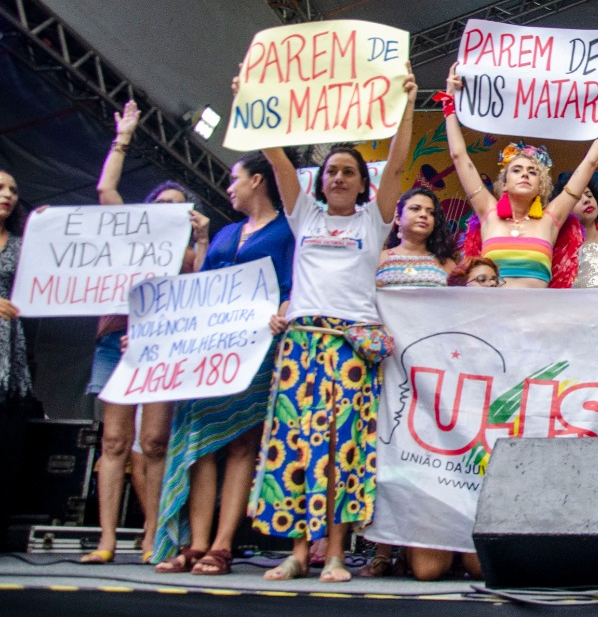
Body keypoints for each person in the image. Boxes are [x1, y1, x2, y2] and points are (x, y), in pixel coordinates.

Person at [242, 64, 417, 582]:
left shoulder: (373, 220)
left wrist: (407, 102)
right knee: (297, 445)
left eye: (348, 172)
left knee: (342, 449)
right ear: (319, 181)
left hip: (350, 348)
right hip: (300, 344)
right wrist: (254, 98)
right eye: (331, 171)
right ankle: (299, 552)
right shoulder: (304, 216)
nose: (338, 177)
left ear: (365, 184)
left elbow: (402, 160)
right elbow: (275, 156)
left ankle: (336, 553)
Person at [153, 152, 294, 574]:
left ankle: (222, 544)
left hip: (258, 348)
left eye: (234, 180)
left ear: (257, 181)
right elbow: (199, 290)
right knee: (200, 443)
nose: (228, 188)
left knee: (241, 444)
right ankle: (195, 544)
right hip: (211, 352)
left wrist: (283, 312)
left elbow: (292, 283)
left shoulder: (288, 230)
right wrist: (200, 242)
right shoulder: (226, 233)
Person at [84, 101, 210, 564]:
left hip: (161, 352)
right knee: (114, 441)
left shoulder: (189, 258)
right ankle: (106, 539)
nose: (168, 212)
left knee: (155, 442)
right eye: (161, 206)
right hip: (114, 342)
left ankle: (154, 536)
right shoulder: (129, 237)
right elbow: (105, 189)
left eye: (178, 208)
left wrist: (200, 242)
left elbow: (206, 299)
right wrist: (124, 137)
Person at [442, 64, 598, 289]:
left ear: (541, 186)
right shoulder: (488, 213)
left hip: (538, 321)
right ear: (504, 184)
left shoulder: (550, 219)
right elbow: (459, 156)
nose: (525, 173)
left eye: (533, 171)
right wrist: (449, 103)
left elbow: (591, 162)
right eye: (516, 170)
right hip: (491, 318)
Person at [358, 186, 457, 579]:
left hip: (428, 377)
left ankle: (414, 542)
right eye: (414, 208)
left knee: (417, 457)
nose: (423, 216)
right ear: (396, 216)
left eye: (430, 212)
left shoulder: (445, 265)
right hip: (383, 371)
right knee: (385, 458)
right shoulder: (378, 260)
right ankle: (381, 550)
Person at [0, 168, 34, 532]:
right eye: (0, 188)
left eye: (13, 189)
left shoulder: (21, 245)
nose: (8, 194)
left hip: (7, 352)